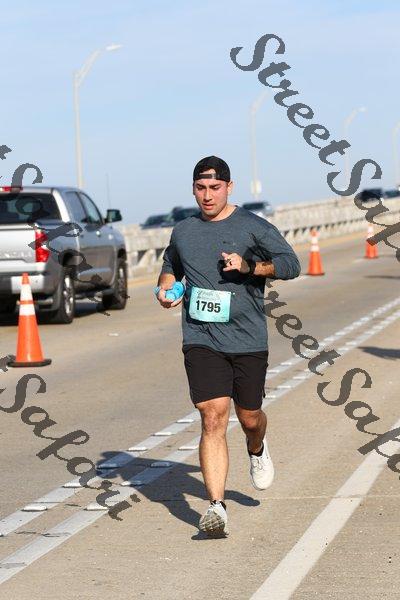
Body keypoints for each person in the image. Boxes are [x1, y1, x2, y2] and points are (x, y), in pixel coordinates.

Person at [155, 156, 301, 537]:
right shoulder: (184, 231)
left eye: (215, 188)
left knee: (249, 417)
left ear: (229, 187)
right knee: (212, 415)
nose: (207, 195)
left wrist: (251, 267)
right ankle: (216, 507)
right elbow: (170, 266)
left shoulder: (252, 226)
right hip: (201, 337)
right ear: (193, 189)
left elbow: (291, 264)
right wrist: (166, 289)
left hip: (248, 339)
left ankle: (257, 447)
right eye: (201, 188)